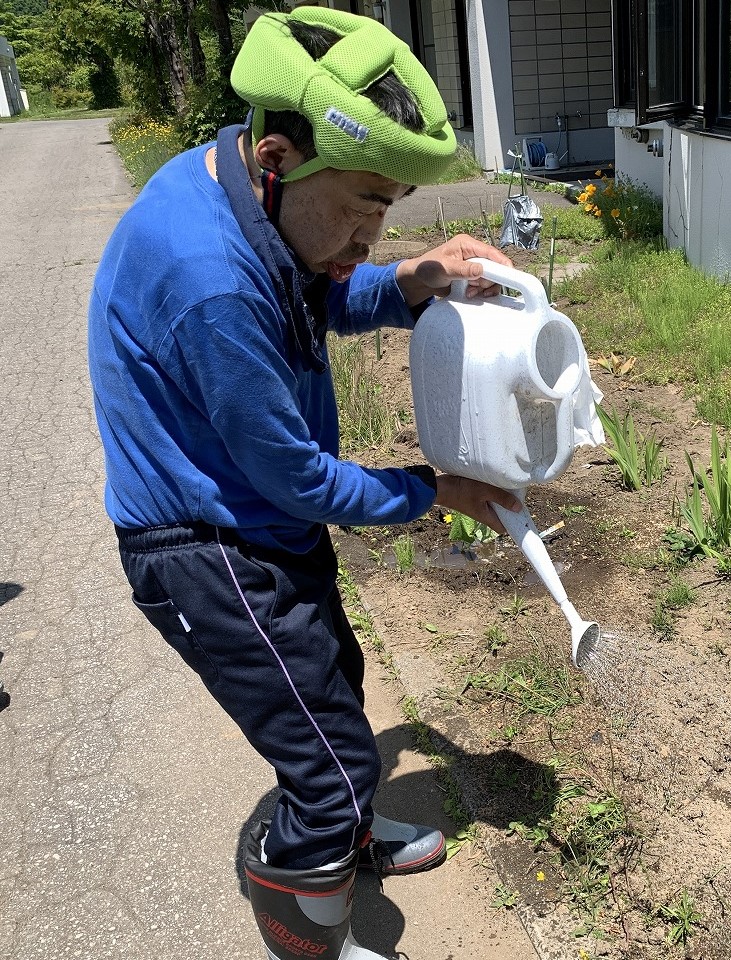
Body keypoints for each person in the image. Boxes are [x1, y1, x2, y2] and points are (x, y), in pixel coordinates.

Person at [86, 7, 523, 959]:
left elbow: (319, 291)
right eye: (362, 204)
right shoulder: (209, 275)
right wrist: (431, 491)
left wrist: (416, 279)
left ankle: (349, 844)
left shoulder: (248, 189)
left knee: (339, 691)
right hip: (206, 549)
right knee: (325, 768)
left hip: (252, 517)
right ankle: (305, 927)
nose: (369, 233)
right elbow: (299, 480)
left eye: (388, 209)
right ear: (277, 151)